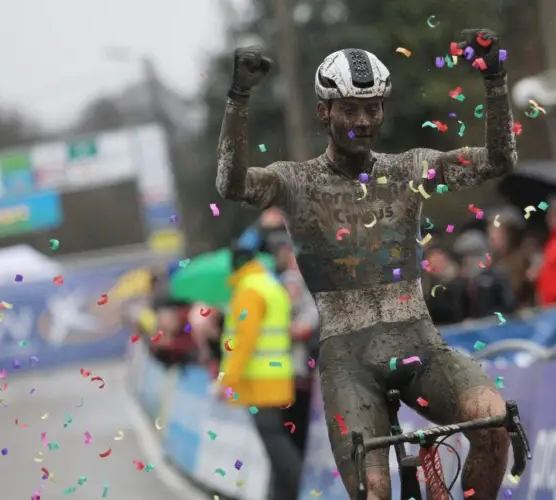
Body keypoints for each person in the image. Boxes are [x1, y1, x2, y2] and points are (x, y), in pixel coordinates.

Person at [216, 29, 517, 500]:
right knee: (374, 491)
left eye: (373, 107)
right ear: (324, 111)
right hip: (348, 362)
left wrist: (495, 82)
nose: (364, 120)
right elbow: (232, 186)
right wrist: (238, 100)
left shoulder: (408, 168)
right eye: (350, 109)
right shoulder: (295, 181)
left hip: (421, 347)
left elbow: (498, 161)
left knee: (495, 420)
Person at [219, 245, 302, 500]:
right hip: (279, 377)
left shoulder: (248, 291)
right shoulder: (270, 285)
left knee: (276, 446)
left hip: (258, 382)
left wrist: (228, 379)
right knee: (277, 445)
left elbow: (245, 341)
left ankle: (301, 489)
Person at [272, 230, 320, 455]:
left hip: (307, 369)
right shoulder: (278, 285)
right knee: (291, 424)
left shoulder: (312, 286)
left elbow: (310, 322)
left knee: (300, 423)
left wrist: (302, 329)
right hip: (286, 372)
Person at [454, 229, 514, 318]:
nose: (468, 260)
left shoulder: (496, 278)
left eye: (473, 254)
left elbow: (508, 305)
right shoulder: (463, 282)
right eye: (465, 255)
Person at [486, 206, 535, 310]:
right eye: (491, 236)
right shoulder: (492, 261)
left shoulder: (522, 259)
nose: (493, 240)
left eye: (498, 235)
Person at [423, 245, 468, 325]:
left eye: (440, 258)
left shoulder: (459, 282)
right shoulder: (424, 284)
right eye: (433, 259)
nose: (438, 262)